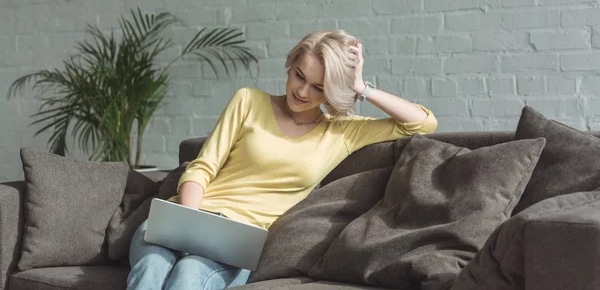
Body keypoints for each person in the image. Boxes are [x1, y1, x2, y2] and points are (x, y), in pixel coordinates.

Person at [127, 30, 438, 290]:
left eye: (318, 87)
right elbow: (202, 167)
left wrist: (359, 86)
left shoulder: (342, 132)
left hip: (237, 240)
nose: (302, 91)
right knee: (153, 265)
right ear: (290, 65)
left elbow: (422, 123)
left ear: (332, 91)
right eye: (299, 76)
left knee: (190, 275)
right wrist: (189, 224)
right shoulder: (248, 100)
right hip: (186, 214)